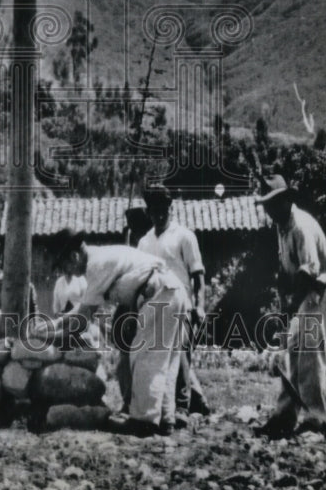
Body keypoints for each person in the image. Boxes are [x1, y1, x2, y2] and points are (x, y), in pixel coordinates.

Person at [52, 228, 188, 436]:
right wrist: (55, 323)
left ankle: (144, 421)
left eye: (65, 266)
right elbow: (82, 309)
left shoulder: (95, 266)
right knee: (166, 360)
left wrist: (51, 338)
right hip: (170, 290)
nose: (67, 273)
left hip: (160, 292)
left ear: (74, 256)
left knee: (145, 356)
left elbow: (82, 320)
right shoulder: (99, 258)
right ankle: (165, 419)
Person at [253, 175, 326, 437]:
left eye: (272, 204)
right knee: (290, 353)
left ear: (285, 200)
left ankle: (316, 420)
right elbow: (285, 271)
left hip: (320, 292)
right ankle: (285, 416)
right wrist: (284, 304)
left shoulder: (301, 226)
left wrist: (292, 305)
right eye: (266, 205)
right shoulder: (281, 226)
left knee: (312, 358)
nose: (268, 210)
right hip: (302, 294)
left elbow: (307, 273)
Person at [137, 184, 210, 416]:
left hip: (182, 307)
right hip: (154, 308)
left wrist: (199, 306)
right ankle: (171, 405)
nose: (158, 215)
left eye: (163, 210)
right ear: (148, 212)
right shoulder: (144, 242)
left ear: (170, 208)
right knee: (157, 360)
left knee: (179, 353)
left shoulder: (184, 237)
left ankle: (181, 408)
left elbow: (198, 277)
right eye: (154, 210)